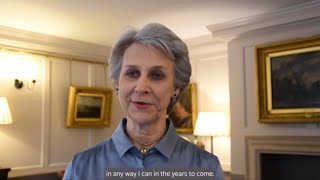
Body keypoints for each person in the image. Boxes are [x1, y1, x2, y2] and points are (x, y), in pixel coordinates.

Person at [63, 23, 224, 180]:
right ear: (118, 82)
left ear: (176, 87)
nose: (141, 88)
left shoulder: (206, 167)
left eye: (156, 75)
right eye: (132, 73)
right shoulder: (81, 167)